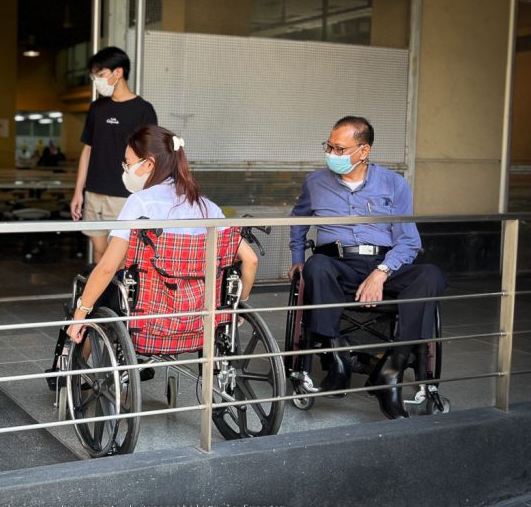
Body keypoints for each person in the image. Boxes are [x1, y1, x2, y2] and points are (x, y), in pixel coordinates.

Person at [288, 116, 446, 420]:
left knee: (430, 275)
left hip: (383, 264)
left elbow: (409, 241)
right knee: (315, 266)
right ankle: (337, 359)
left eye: (340, 148)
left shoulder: (393, 184)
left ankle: (392, 369)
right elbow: (298, 221)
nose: (332, 154)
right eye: (329, 146)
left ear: (364, 151)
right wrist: (297, 257)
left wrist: (382, 271)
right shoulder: (315, 183)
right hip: (336, 265)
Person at [66, 125, 257, 341]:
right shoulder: (206, 207)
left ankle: (82, 359)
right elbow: (250, 260)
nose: (125, 170)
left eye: (127, 164)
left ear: (149, 164)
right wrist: (236, 305)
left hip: (148, 316)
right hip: (199, 315)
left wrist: (80, 312)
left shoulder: (140, 204)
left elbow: (109, 266)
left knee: (96, 288)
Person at [70, 47, 158, 264]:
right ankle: (104, 296)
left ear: (117, 73)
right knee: (99, 251)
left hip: (123, 194)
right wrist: (78, 192)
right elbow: (87, 150)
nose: (97, 81)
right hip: (93, 193)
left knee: (119, 256)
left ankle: (119, 298)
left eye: (100, 75)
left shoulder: (143, 110)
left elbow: (150, 158)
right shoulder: (97, 108)